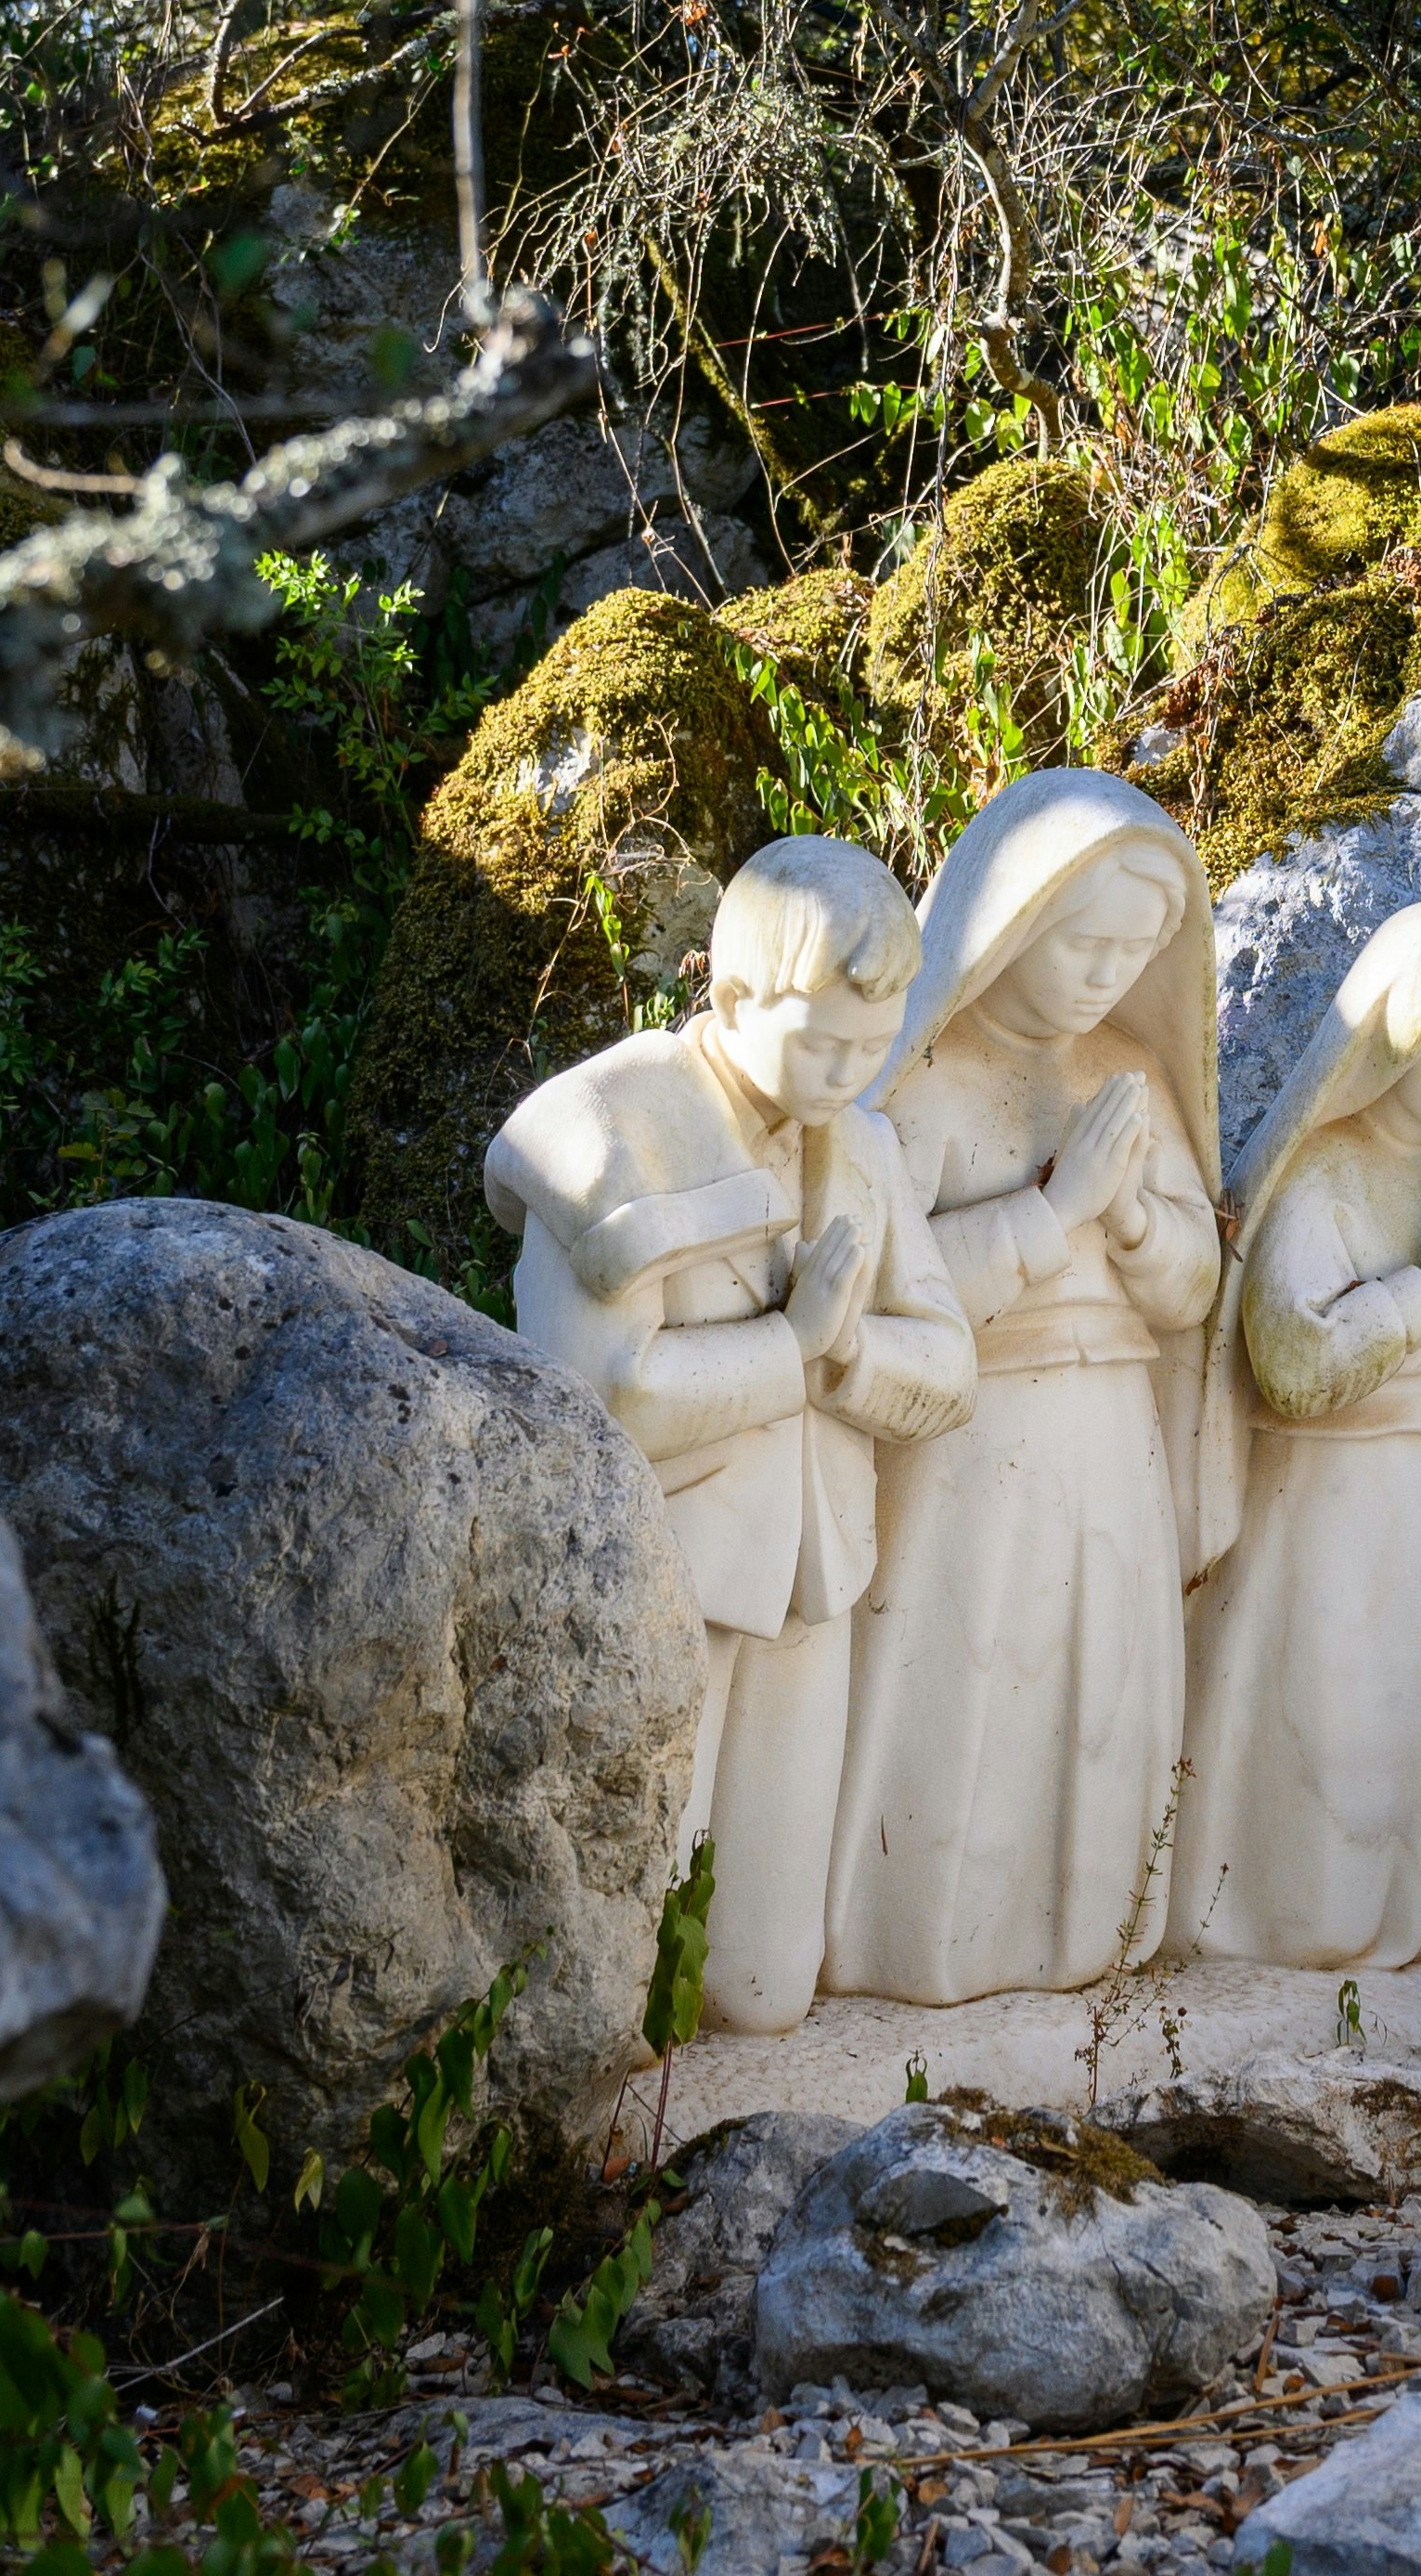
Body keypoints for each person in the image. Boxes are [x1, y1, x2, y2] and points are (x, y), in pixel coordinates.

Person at [487, 835, 974, 2032]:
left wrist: (850, 1350)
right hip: (664, 1583)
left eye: (873, 1045)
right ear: (734, 993)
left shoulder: (860, 1143)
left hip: (814, 1580)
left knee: (760, 1984)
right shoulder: (610, 1130)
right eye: (822, 1043)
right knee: (622, 1963)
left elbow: (948, 1362)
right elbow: (598, 1399)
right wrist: (792, 1347)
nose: (847, 1075)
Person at [827, 770, 1227, 2002]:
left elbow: (1194, 1283)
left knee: (1101, 1678)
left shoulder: (1128, 1074)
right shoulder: (928, 1081)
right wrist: (1053, 1213)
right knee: (965, 1681)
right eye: (1084, 939)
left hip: (1112, 1429)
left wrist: (1147, 1227)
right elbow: (891, 1288)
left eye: (1135, 947)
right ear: (1010, 918)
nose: (1110, 972)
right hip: (970, 1440)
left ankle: (1086, 1936)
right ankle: (927, 1944)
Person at [1169, 900, 1421, 1971]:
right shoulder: (1323, 1173)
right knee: (1334, 1727)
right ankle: (1297, 1948)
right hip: (1335, 1508)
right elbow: (1296, 1364)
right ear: (1397, 1039)